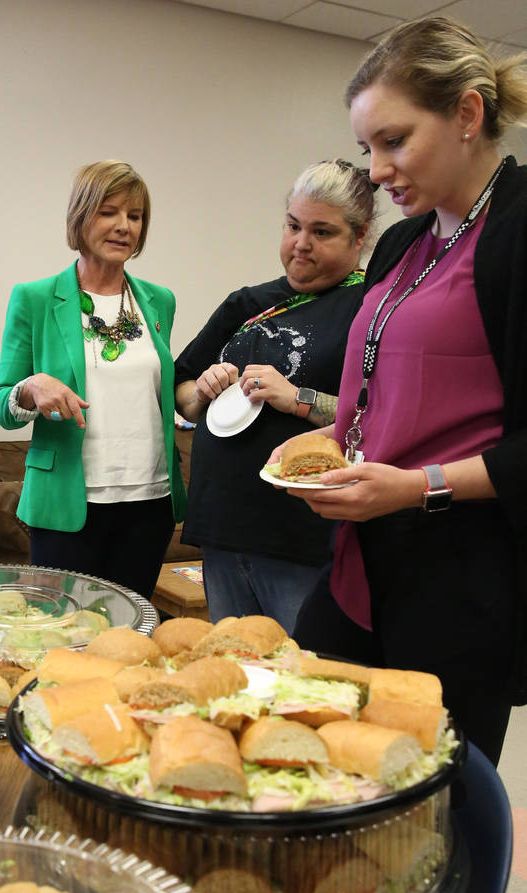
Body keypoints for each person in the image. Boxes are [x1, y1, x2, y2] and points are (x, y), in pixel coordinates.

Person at [279, 19, 527, 893]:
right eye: (367, 148)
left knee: (434, 826)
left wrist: (417, 485)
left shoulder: (518, 230)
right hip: (359, 565)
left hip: (456, 586)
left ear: (467, 116)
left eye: (393, 142)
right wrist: (332, 449)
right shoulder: (407, 240)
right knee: (324, 793)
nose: (374, 170)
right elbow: (376, 385)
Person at [174, 160, 376, 631]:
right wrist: (201, 391)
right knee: (237, 681)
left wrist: (297, 397)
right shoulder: (246, 302)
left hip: (304, 538)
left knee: (298, 685)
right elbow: (180, 391)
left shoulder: (371, 306)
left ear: (359, 236)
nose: (301, 244)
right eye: (293, 225)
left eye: (322, 232)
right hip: (222, 527)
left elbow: (381, 411)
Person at [0, 160, 186, 599]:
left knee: (132, 640)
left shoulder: (159, 301)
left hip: (150, 502)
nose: (124, 227)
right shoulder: (35, 298)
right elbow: (2, 403)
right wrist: (32, 387)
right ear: (81, 217)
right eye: (109, 212)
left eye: (135, 217)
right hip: (67, 504)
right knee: (63, 638)